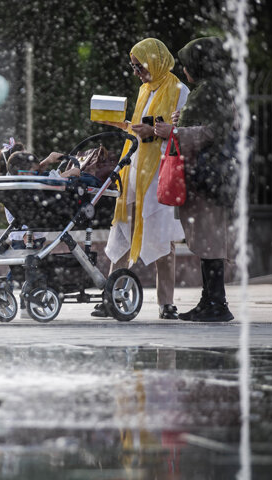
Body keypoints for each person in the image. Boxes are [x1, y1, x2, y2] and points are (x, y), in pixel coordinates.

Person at [93, 38, 190, 320]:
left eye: (140, 66)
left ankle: (166, 303)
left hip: (160, 173)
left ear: (155, 62)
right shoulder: (144, 90)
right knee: (123, 231)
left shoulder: (179, 91)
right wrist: (121, 125)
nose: (137, 72)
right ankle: (112, 296)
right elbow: (139, 130)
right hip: (135, 170)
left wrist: (159, 132)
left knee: (161, 236)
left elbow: (183, 132)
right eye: (133, 66)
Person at [154, 37, 237, 323]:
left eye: (189, 65)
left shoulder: (210, 92)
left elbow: (212, 132)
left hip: (208, 177)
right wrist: (180, 123)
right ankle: (210, 300)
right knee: (208, 239)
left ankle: (216, 302)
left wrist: (173, 133)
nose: (185, 70)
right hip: (215, 177)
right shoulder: (217, 90)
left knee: (210, 239)